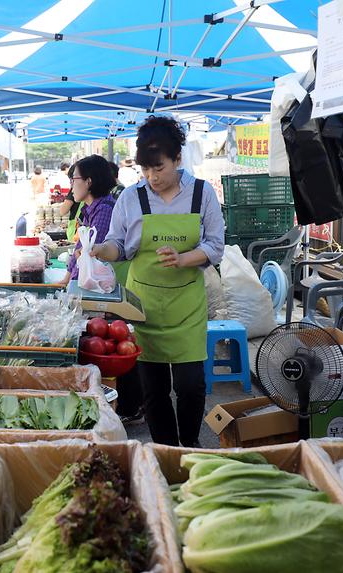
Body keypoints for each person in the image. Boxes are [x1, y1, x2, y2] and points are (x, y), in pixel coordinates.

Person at [91, 115, 225, 447]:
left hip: (187, 306)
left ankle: (190, 445)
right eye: (145, 169)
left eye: (159, 168)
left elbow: (215, 246)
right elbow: (119, 245)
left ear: (178, 159)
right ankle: (165, 450)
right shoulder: (131, 197)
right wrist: (100, 251)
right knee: (153, 389)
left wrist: (182, 259)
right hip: (142, 307)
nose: (152, 177)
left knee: (191, 384)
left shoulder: (201, 193)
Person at [58, 155, 117, 286]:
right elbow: (80, 246)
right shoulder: (90, 208)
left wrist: (71, 285)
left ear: (88, 182)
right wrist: (66, 279)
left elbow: (88, 255)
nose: (71, 186)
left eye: (73, 179)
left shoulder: (104, 209)